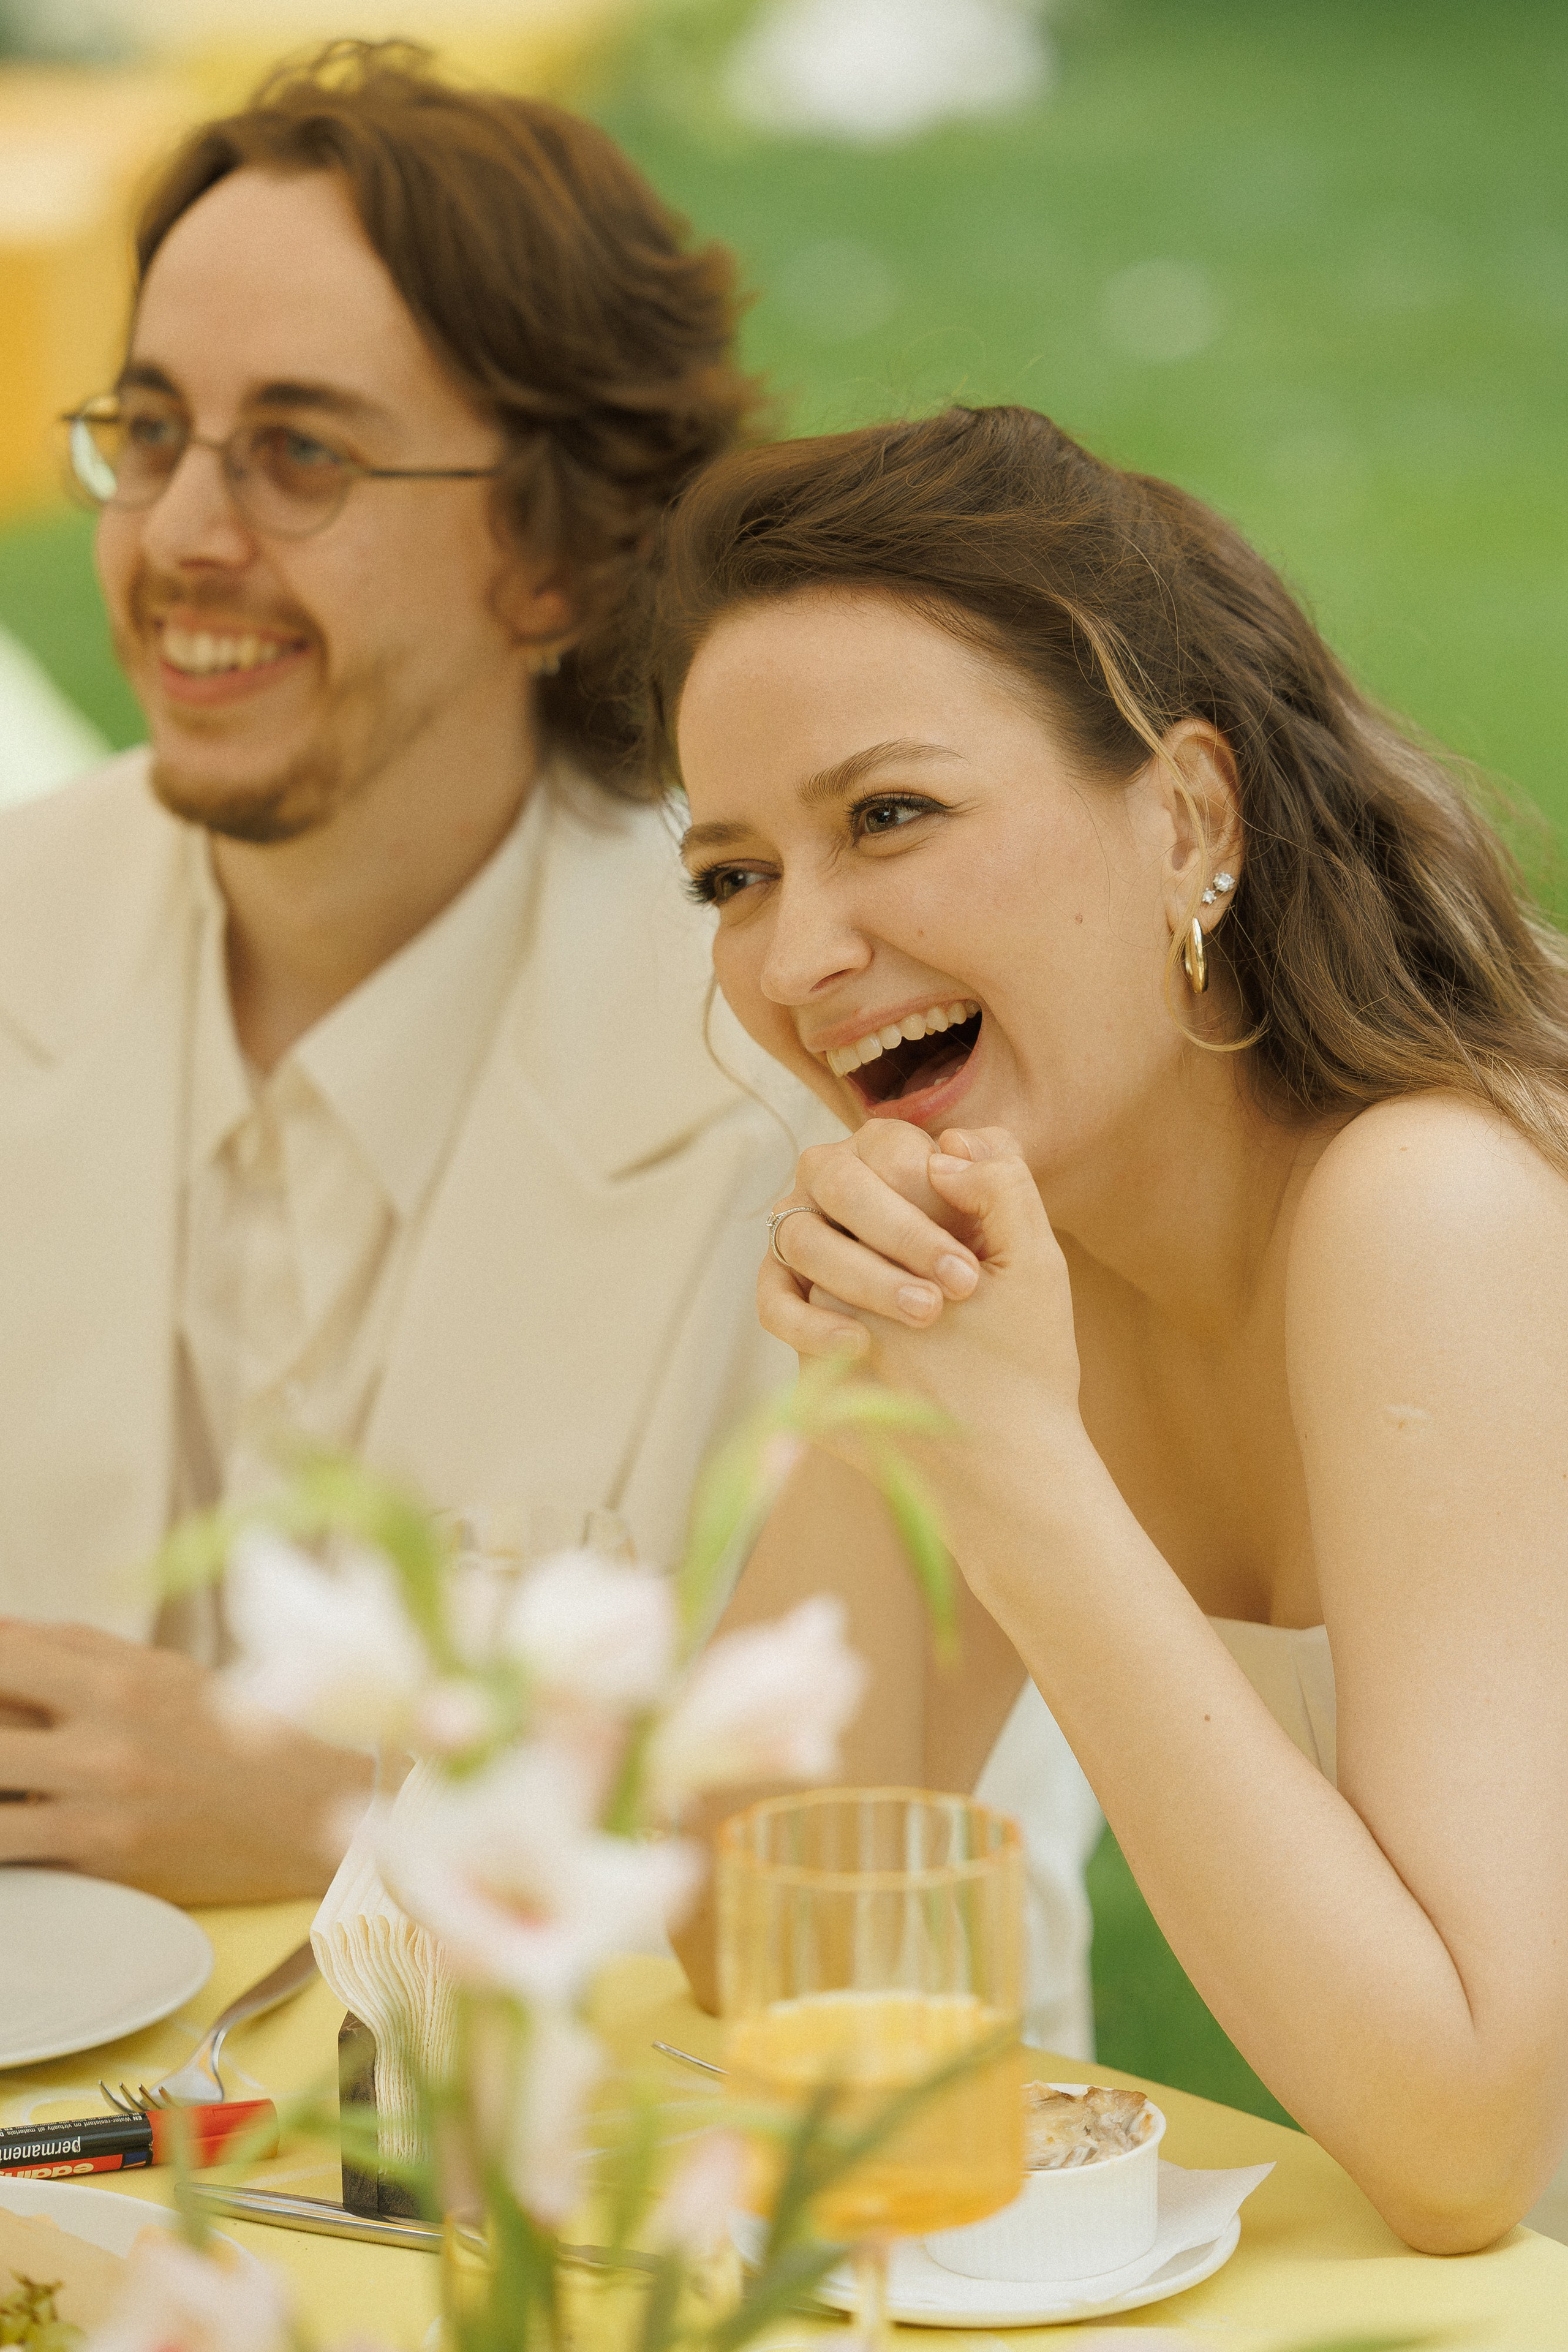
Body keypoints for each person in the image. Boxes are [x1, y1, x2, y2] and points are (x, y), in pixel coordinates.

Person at [643, 403, 1568, 2251]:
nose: (797, 955)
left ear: (1190, 819)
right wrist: (884, 1389)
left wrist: (1011, 1471)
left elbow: (1469, 2135)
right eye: (733, 876)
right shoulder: (1028, 1243)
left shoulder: (1430, 1207)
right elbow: (745, 1936)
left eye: (887, 816)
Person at [0, 40, 812, 1907]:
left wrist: (340, 1831)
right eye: (149, 434)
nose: (183, 538)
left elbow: (932, 1916)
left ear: (560, 552)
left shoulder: (800, 1084)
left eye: (301, 453)